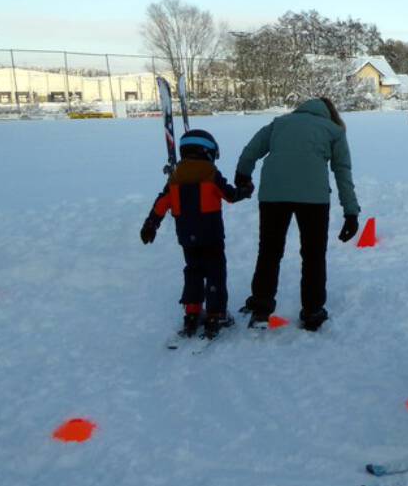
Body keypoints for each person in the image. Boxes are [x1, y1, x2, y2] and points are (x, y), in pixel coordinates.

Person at [234, 97, 360, 332]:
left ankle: (261, 306)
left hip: (273, 193)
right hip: (314, 198)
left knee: (269, 251)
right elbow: (343, 172)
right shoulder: (334, 130)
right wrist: (350, 212)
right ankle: (313, 312)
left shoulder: (280, 123)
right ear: (330, 113)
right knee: (313, 255)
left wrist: (243, 174)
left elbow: (252, 150)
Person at [140, 129, 251, 339]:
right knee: (215, 272)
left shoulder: (175, 176)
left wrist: (150, 224)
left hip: (187, 237)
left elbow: (162, 203)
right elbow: (230, 195)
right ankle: (215, 314)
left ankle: (191, 314)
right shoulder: (210, 173)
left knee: (193, 271)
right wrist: (245, 190)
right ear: (207, 151)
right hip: (211, 235)